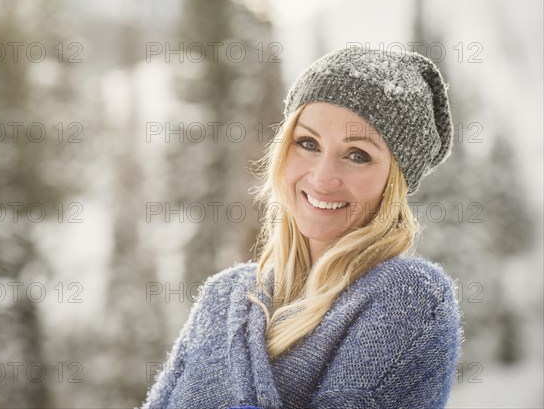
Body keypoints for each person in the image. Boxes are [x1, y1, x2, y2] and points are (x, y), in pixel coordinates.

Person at [140, 47, 463, 409]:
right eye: (307, 143)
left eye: (358, 155)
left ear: (395, 182)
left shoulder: (408, 296)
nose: (323, 177)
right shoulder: (223, 297)